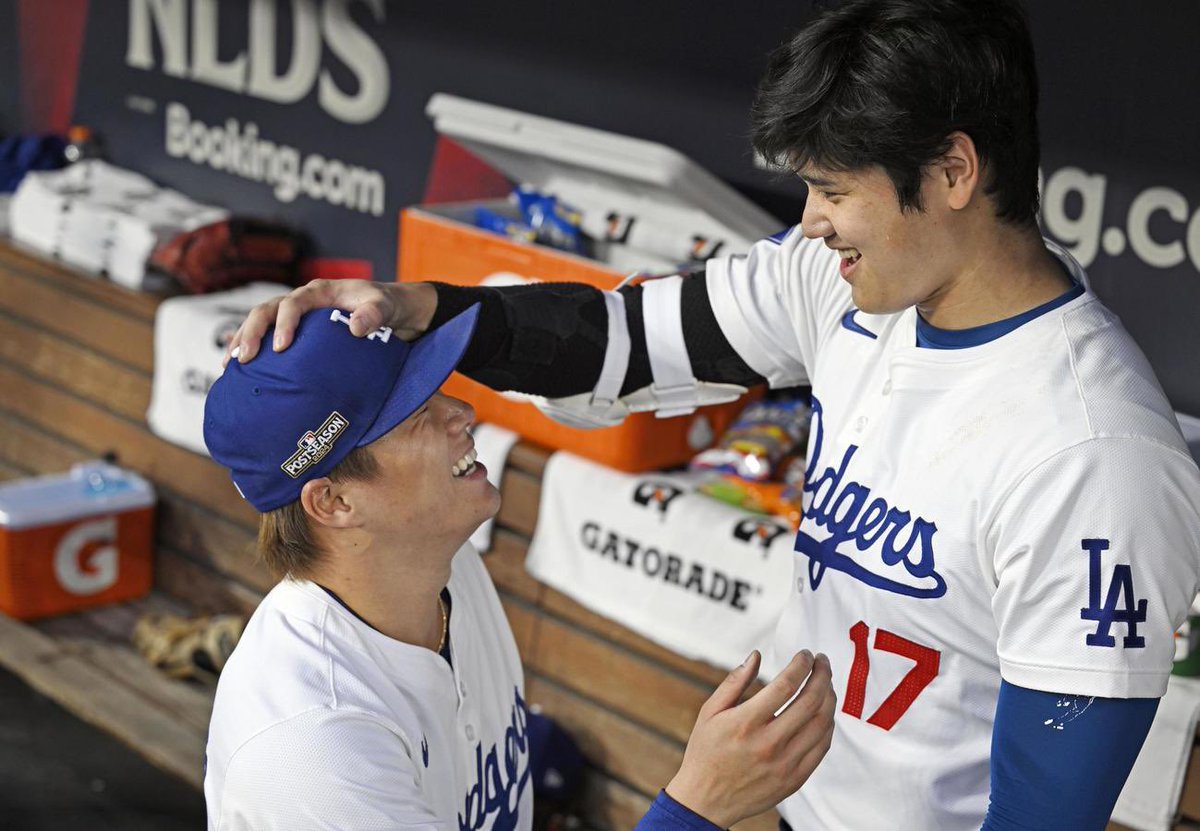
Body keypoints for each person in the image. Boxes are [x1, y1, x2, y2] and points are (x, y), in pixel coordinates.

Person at [227, 1, 1200, 827]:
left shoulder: (1093, 452)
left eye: (831, 188)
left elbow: (1045, 815)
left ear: (952, 173)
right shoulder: (844, 286)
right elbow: (616, 343)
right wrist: (425, 309)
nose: (811, 222)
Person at [202, 303, 836, 831]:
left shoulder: (443, 571)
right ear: (334, 501)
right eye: (417, 416)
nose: (462, 413)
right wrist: (700, 805)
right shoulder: (313, 748)